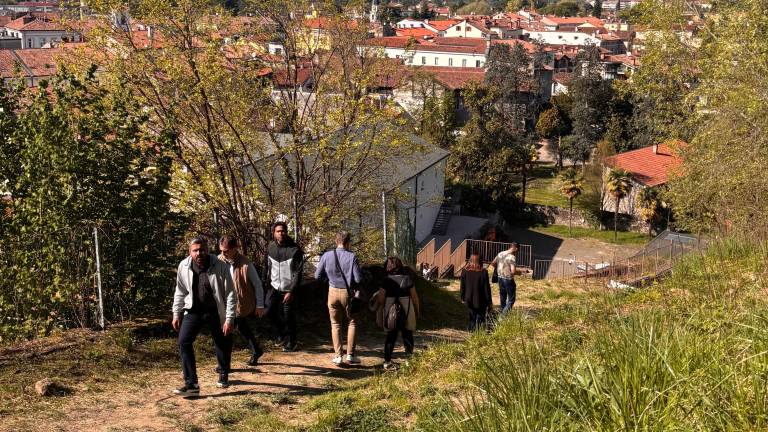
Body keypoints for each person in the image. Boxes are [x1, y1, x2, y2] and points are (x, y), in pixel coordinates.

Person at [172, 237, 236, 396]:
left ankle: (223, 372)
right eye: (195, 250)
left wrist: (229, 319)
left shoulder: (220, 266)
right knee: (183, 341)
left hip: (215, 310)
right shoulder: (184, 266)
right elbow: (180, 291)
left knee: (221, 341)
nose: (199, 253)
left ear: (207, 250)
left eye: (202, 249)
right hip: (194, 310)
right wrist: (176, 313)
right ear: (190, 252)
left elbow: (230, 294)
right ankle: (191, 383)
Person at [315, 231, 364, 366]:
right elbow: (359, 278)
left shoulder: (326, 256)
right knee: (352, 322)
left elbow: (316, 276)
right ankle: (350, 355)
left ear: (336, 241)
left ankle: (338, 356)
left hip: (332, 292)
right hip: (348, 293)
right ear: (348, 242)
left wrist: (329, 279)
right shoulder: (352, 257)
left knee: (335, 324)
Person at [218, 235, 266, 366]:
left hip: (241, 303)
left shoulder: (245, 263)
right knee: (235, 329)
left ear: (235, 249)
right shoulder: (218, 261)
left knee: (230, 330)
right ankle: (255, 350)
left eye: (226, 250)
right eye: (221, 250)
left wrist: (260, 304)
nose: (223, 253)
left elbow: (257, 284)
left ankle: (224, 364)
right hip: (224, 303)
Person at [373, 257, 420, 371]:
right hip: (407, 308)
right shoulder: (407, 279)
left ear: (390, 267)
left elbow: (381, 298)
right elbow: (414, 297)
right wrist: (418, 311)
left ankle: (387, 361)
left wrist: (382, 308)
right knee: (407, 334)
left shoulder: (386, 280)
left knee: (391, 336)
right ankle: (409, 360)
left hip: (390, 309)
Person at [266, 221, 304, 352]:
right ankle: (282, 334)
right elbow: (268, 267)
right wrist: (265, 282)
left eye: (283, 231)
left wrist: (292, 291)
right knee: (268, 311)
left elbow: (298, 273)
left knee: (288, 316)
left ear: (286, 232)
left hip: (289, 289)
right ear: (274, 233)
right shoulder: (270, 247)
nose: (281, 233)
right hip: (274, 287)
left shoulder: (295, 250)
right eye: (278, 231)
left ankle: (292, 342)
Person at [460, 253, 492, 331]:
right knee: (480, 317)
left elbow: (462, 286)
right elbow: (486, 288)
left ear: (470, 260)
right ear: (480, 261)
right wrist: (489, 301)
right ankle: (478, 333)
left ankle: (471, 330)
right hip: (481, 299)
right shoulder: (483, 272)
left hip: (469, 298)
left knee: (472, 316)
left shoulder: (465, 271)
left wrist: (462, 297)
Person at [491, 242, 519, 313]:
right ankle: (503, 316)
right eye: (517, 250)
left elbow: (493, 263)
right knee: (511, 299)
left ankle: (502, 312)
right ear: (515, 248)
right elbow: (513, 271)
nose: (517, 252)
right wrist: (521, 272)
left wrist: (500, 268)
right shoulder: (512, 257)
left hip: (500, 277)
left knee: (503, 296)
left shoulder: (500, 253)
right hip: (508, 279)